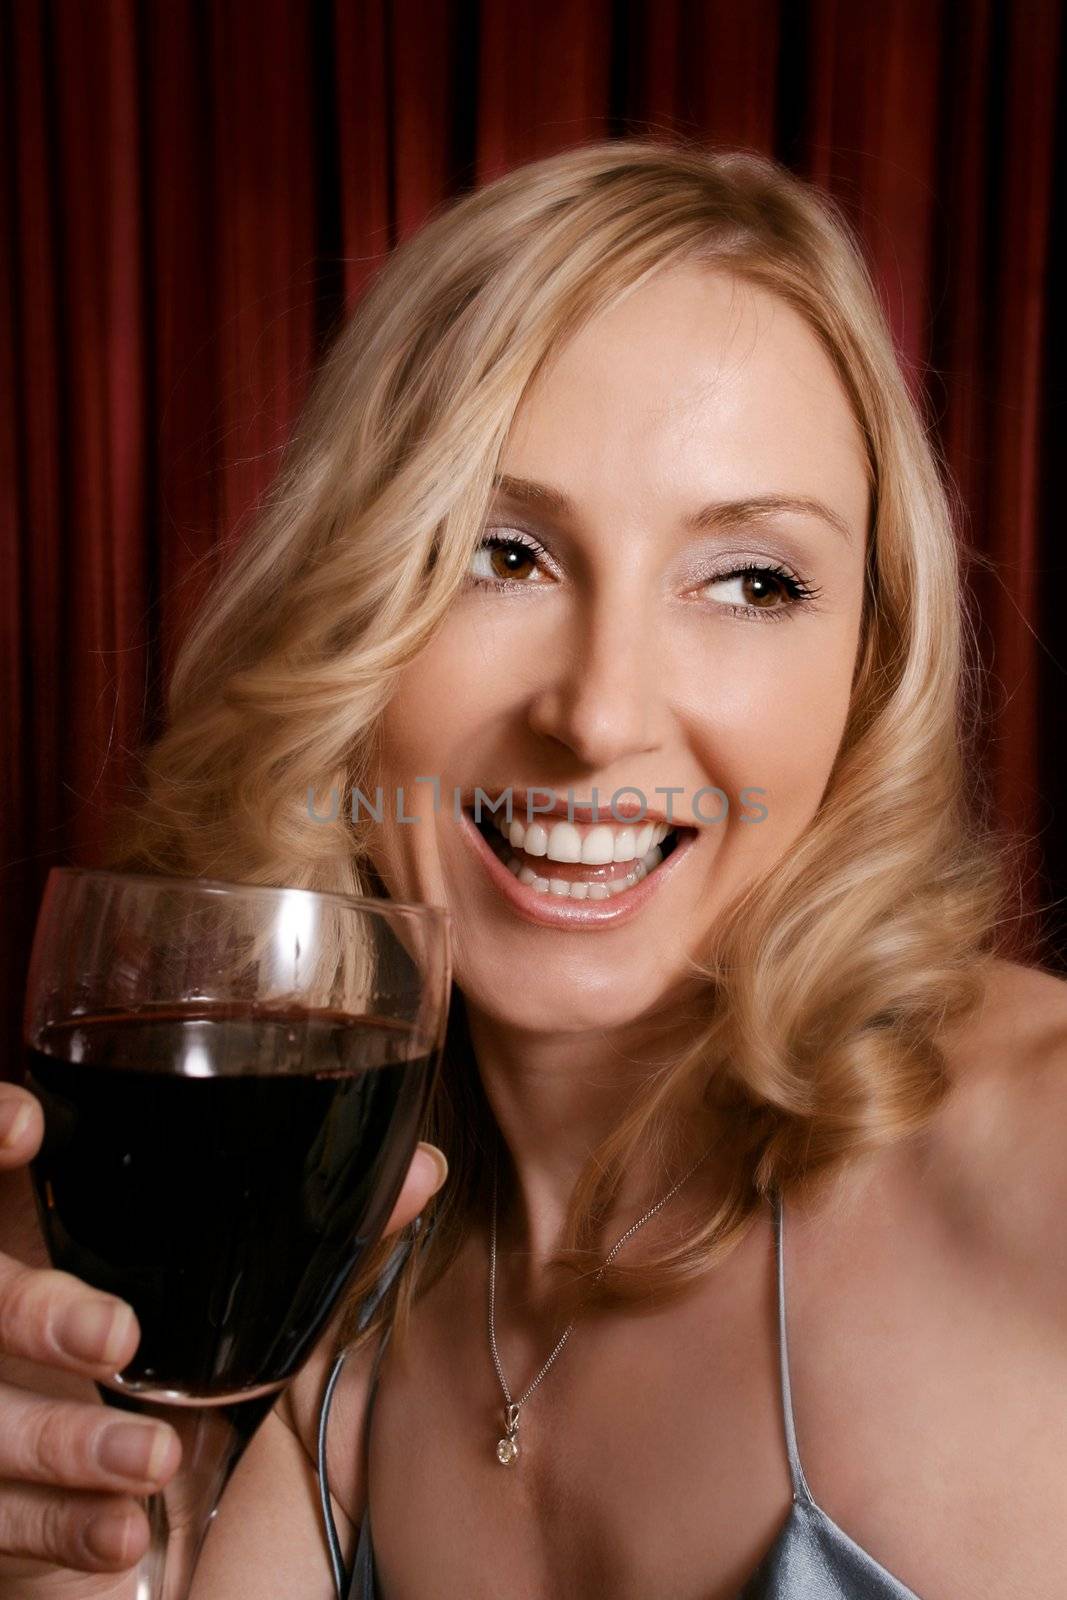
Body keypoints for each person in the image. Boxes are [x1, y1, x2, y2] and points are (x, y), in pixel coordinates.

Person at [1, 137, 1064, 1600]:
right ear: (349, 611)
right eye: (500, 554)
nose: (600, 713)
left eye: (751, 581)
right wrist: (75, 1532)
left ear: (867, 673)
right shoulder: (337, 1295)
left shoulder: (1036, 1156)